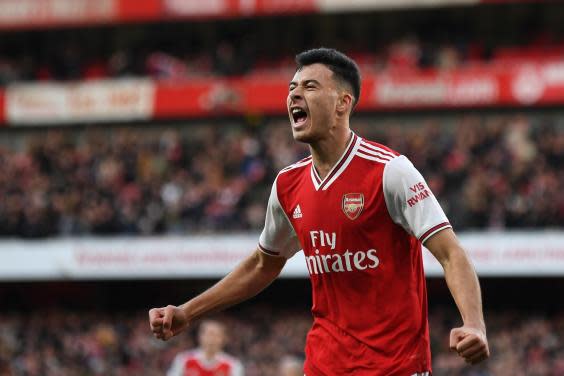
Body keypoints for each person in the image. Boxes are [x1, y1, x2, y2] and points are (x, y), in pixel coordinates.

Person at [149, 48, 490, 375]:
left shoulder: (390, 172)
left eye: (309, 86)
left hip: (395, 368)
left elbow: (451, 253)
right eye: (291, 88)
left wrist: (473, 324)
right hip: (324, 366)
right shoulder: (287, 185)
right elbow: (261, 264)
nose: (294, 95)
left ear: (343, 103)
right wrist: (187, 312)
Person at [166, 320, 244, 376]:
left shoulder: (233, 365)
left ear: (224, 339)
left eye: (216, 335)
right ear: (200, 336)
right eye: (209, 334)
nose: (211, 338)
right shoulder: (183, 359)